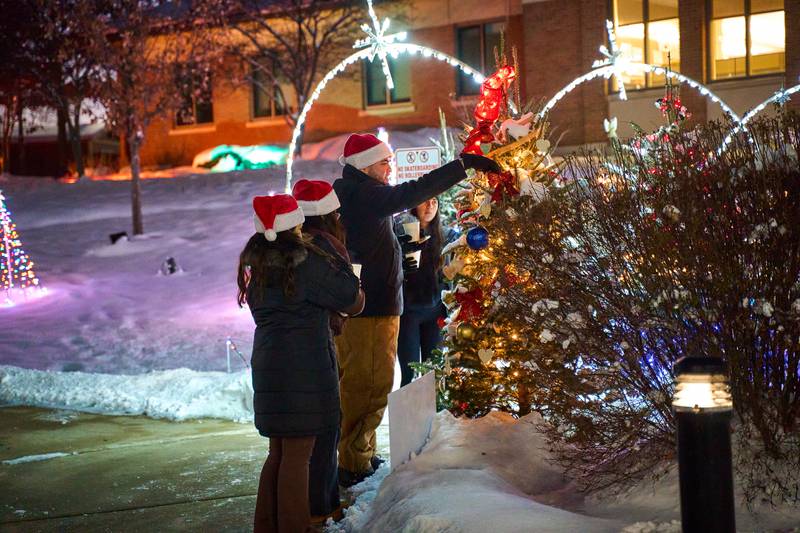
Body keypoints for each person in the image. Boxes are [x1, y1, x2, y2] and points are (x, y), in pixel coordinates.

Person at [332, 133, 500, 485]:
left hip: (371, 305)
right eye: (384, 161)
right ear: (364, 165)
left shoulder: (357, 192)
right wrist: (464, 164)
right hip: (372, 309)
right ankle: (353, 463)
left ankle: (359, 454)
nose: (389, 167)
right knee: (370, 386)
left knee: (365, 383)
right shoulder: (365, 193)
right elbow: (414, 190)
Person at [238, 194, 364, 533]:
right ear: (293, 224)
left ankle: (266, 527)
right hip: (304, 368)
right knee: (297, 457)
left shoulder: (258, 263)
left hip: (268, 365)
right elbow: (351, 297)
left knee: (279, 453)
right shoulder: (307, 261)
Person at [291, 179, 350, 525]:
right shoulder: (323, 248)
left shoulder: (290, 248)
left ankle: (316, 507)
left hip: (294, 352)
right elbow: (346, 295)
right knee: (326, 428)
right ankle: (322, 508)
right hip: (317, 345)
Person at [396, 196, 457, 387]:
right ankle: (408, 416)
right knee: (409, 374)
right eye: (424, 201)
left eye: (434, 202)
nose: (430, 206)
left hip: (436, 311)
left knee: (434, 372)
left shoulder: (446, 236)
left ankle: (435, 416)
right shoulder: (401, 233)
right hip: (408, 313)